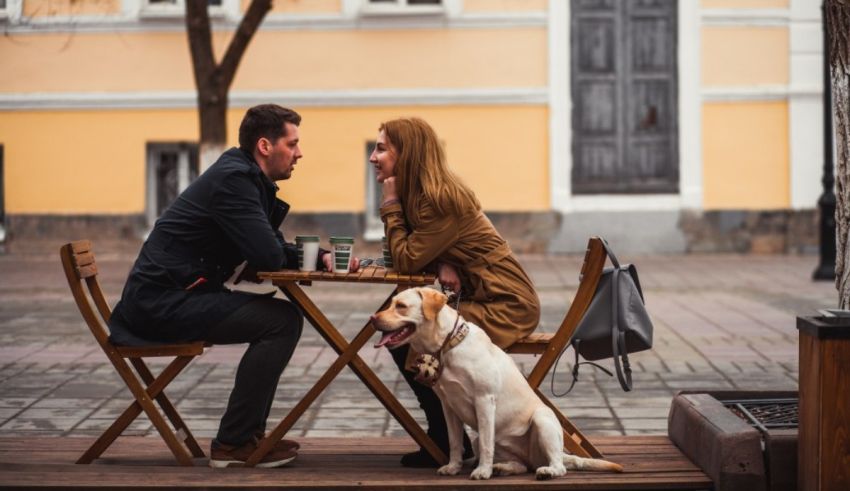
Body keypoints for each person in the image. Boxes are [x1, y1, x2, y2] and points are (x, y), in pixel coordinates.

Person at [109, 104, 358, 468]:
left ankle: (246, 436)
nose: (299, 153)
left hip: (173, 295)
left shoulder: (244, 179)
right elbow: (268, 255)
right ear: (265, 146)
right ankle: (235, 442)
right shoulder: (235, 181)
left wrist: (319, 256)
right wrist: (276, 256)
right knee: (280, 321)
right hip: (161, 305)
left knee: (281, 318)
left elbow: (268, 247)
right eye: (293, 144)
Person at [369, 117, 541, 467]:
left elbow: (405, 259)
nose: (373, 156)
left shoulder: (438, 200)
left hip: (507, 303)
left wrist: (389, 204)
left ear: (408, 154)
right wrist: (442, 262)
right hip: (482, 297)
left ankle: (442, 441)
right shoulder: (423, 197)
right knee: (401, 321)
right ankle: (444, 439)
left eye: (382, 148)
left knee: (412, 334)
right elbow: (421, 252)